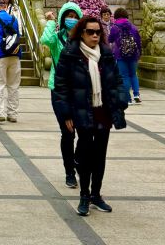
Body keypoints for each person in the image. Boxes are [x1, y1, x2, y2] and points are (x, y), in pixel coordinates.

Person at [52, 15, 128, 216]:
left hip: (103, 111)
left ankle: (96, 194)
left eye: (98, 32)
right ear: (82, 33)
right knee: (85, 155)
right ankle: (84, 195)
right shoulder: (71, 54)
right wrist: (66, 114)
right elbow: (61, 87)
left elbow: (117, 80)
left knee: (100, 155)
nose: (95, 35)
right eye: (90, 32)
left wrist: (121, 100)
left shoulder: (106, 53)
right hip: (82, 110)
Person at [40, 1, 83, 188]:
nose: (71, 20)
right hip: (60, 91)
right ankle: (69, 172)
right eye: (68, 16)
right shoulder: (57, 38)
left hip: (80, 92)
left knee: (84, 132)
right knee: (67, 133)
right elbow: (45, 41)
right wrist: (50, 21)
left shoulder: (83, 39)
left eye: (75, 17)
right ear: (62, 18)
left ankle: (77, 160)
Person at [108, 8, 142, 104]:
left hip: (120, 55)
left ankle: (127, 98)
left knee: (124, 76)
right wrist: (140, 53)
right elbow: (139, 42)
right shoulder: (133, 27)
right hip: (133, 55)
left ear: (116, 16)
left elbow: (110, 40)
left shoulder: (115, 27)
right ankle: (136, 95)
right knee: (133, 75)